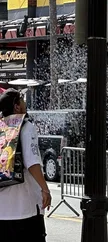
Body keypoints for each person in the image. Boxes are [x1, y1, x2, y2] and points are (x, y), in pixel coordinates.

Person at [0, 88, 51, 242]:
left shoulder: (1, 127)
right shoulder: (26, 126)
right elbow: (32, 162)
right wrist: (45, 189)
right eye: (22, 99)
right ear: (17, 106)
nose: (24, 103)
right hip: (26, 210)